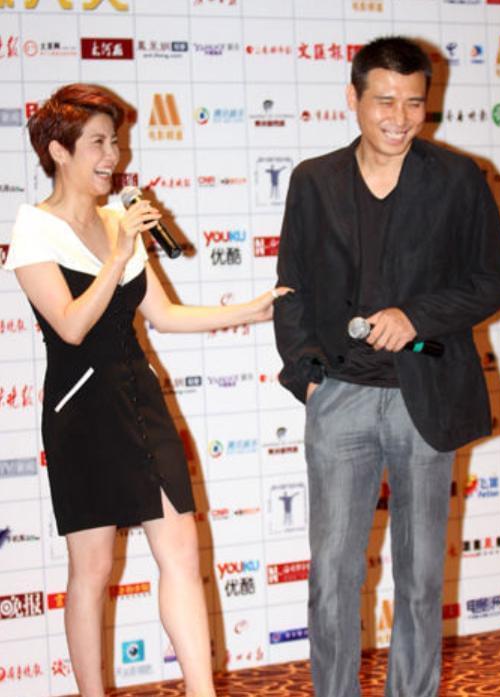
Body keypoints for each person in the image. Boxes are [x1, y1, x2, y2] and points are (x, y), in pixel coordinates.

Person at [3, 83, 289, 697]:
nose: (113, 156)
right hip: (81, 408)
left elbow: (164, 315)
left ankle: (202, 691)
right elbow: (72, 325)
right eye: (98, 143)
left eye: (115, 142)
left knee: (181, 548)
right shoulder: (34, 229)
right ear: (59, 151)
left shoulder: (116, 220)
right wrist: (118, 254)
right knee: (93, 568)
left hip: (141, 397)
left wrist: (252, 308)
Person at [273, 37, 500, 697]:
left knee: (420, 578)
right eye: (385, 101)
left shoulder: (459, 178)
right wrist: (309, 379)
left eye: (413, 103)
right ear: (353, 99)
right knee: (331, 578)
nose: (400, 118)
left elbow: (493, 280)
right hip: (339, 396)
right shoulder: (313, 180)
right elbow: (290, 288)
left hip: (424, 395)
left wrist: (416, 316)